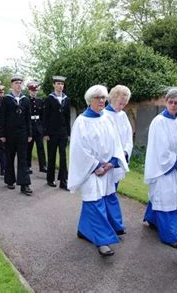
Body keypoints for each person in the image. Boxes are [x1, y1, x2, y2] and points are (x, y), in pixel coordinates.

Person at [68, 85, 129, 257]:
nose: (102, 101)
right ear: (90, 100)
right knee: (94, 201)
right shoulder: (82, 121)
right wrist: (96, 166)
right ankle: (103, 242)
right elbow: (79, 149)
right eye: (98, 98)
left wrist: (111, 163)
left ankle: (84, 230)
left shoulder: (107, 118)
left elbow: (115, 142)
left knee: (107, 197)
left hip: (107, 169)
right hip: (91, 170)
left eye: (103, 97)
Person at [143, 87, 177, 248]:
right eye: (171, 102)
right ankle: (172, 233)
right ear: (166, 101)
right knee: (166, 195)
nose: (173, 105)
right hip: (162, 166)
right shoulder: (159, 121)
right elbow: (160, 149)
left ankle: (152, 218)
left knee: (168, 193)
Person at [102, 84, 133, 235]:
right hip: (107, 161)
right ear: (113, 98)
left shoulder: (123, 115)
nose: (122, 106)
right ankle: (112, 223)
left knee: (113, 189)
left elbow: (128, 137)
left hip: (119, 160)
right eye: (120, 103)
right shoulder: (103, 115)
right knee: (106, 192)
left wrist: (125, 153)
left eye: (125, 104)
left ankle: (113, 223)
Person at [0, 75, 33, 196]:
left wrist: (29, 133)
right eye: (16, 83)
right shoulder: (6, 99)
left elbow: (28, 118)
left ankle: (24, 184)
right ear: (12, 85)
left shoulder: (25, 100)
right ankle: (9, 180)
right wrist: (2, 134)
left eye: (20, 83)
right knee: (10, 157)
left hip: (22, 133)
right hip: (9, 133)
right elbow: (1, 118)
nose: (18, 85)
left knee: (23, 159)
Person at [43, 75, 71, 189]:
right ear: (54, 85)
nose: (60, 86)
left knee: (63, 156)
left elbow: (68, 117)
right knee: (52, 156)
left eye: (62, 84)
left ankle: (63, 181)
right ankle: (50, 179)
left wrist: (68, 133)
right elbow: (45, 117)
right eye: (58, 84)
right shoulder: (49, 98)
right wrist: (45, 133)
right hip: (51, 133)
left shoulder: (66, 99)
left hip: (63, 132)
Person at [27, 82, 47, 174]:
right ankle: (28, 166)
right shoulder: (26, 101)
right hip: (30, 126)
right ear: (29, 91)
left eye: (35, 91)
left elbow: (43, 116)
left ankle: (42, 166)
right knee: (28, 148)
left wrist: (43, 128)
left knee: (41, 148)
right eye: (32, 91)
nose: (34, 92)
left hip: (38, 126)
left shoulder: (40, 101)